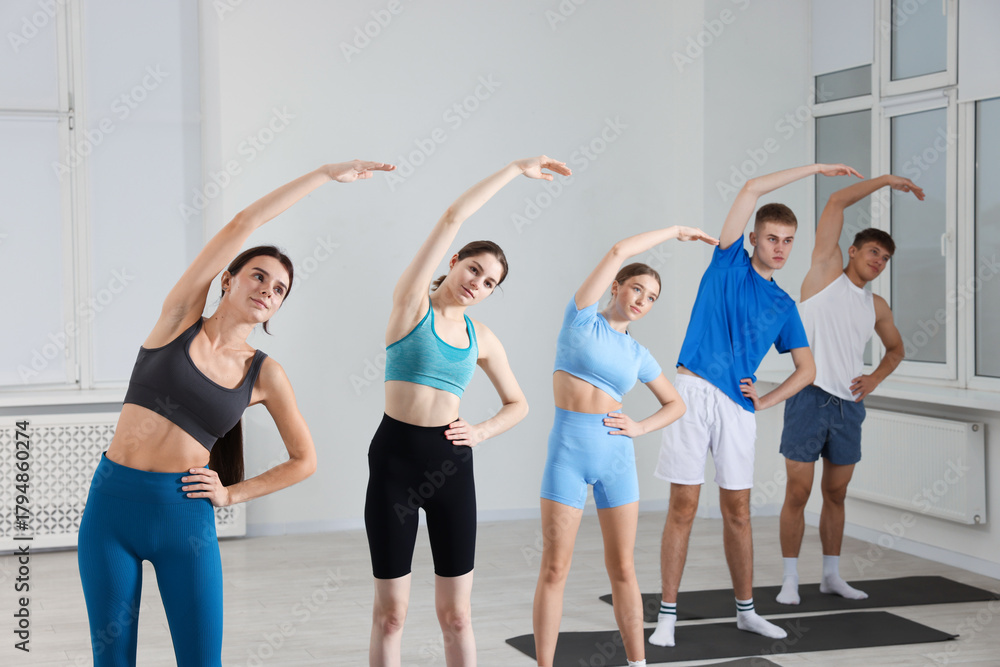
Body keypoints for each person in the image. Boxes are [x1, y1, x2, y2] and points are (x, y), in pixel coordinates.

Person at [77, 160, 395, 666]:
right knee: (111, 659)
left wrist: (230, 494)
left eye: (279, 289)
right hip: (111, 508)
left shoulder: (264, 374)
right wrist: (323, 175)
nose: (268, 289)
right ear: (227, 280)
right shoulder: (178, 321)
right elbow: (243, 223)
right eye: (259, 276)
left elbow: (304, 460)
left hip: (185, 518)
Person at [365, 156, 570, 667]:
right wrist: (515, 170)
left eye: (489, 282)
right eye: (474, 268)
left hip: (450, 467)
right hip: (393, 462)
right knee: (391, 615)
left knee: (457, 616)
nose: (477, 282)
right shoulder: (411, 306)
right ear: (455, 260)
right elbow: (453, 215)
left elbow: (519, 404)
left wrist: (479, 432)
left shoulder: (483, 339)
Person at [650, 163, 862, 648]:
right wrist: (818, 169)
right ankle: (666, 617)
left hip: (737, 409)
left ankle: (746, 612)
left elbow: (807, 370)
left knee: (739, 510)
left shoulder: (784, 305)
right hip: (693, 392)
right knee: (683, 506)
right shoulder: (728, 264)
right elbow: (750, 188)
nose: (780, 248)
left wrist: (765, 400)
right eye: (771, 239)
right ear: (753, 239)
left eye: (787, 241)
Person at [531, 226, 716, 667]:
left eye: (651, 298)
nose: (641, 300)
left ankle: (638, 663)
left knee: (623, 569)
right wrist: (675, 231)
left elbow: (675, 404)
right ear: (615, 287)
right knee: (554, 568)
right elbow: (617, 250)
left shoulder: (638, 354)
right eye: (636, 288)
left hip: (615, 457)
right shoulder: (581, 318)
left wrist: (640, 427)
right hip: (568, 454)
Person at [776, 175, 916, 605]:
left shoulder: (876, 306)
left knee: (835, 494)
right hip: (808, 397)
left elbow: (896, 350)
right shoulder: (823, 274)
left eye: (885, 258)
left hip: (848, 407)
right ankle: (789, 580)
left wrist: (874, 379)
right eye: (873, 251)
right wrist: (887, 180)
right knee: (798, 493)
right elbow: (836, 200)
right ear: (853, 251)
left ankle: (831, 576)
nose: (879, 261)